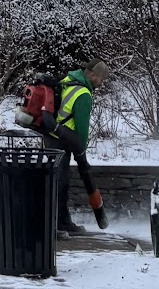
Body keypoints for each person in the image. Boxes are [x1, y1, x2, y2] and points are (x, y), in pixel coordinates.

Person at [30, 60, 108, 233]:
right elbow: (82, 130)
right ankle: (61, 223)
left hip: (50, 135)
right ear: (93, 75)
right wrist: (81, 151)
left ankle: (52, 220)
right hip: (62, 140)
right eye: (101, 79)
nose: (102, 84)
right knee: (61, 182)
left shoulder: (68, 80)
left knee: (53, 180)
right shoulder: (83, 94)